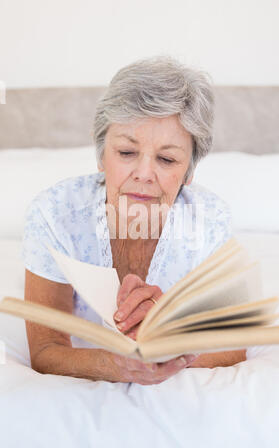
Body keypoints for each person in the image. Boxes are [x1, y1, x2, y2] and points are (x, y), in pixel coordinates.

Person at [22, 55, 246, 385]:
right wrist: (119, 365)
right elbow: (46, 349)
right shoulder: (55, 215)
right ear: (102, 154)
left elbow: (233, 349)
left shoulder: (210, 222)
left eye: (167, 159)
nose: (143, 174)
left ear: (189, 171)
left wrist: (173, 338)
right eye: (126, 153)